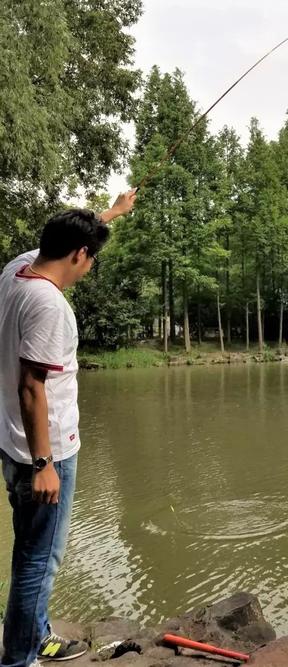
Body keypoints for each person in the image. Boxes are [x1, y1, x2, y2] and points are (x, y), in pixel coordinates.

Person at [0, 191, 137, 667]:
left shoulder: (17, 270)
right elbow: (32, 388)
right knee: (40, 562)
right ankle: (19, 659)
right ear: (78, 255)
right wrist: (45, 465)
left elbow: (70, 234)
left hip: (12, 447)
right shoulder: (49, 305)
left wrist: (111, 214)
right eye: (90, 258)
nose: (90, 267)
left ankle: (36, 637)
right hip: (44, 453)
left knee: (31, 553)